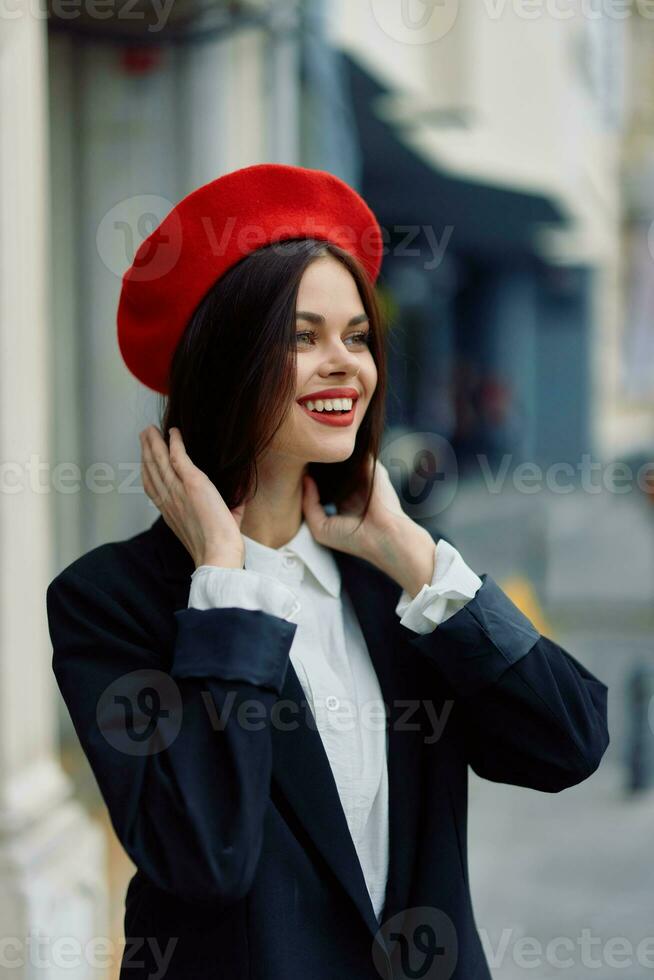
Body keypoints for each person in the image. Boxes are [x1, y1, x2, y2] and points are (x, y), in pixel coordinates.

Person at [46, 163, 610, 980]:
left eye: (356, 336)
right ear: (225, 364)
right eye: (302, 337)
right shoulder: (112, 604)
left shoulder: (395, 581)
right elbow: (206, 856)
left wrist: (414, 556)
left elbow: (571, 743)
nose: (344, 363)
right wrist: (225, 584)